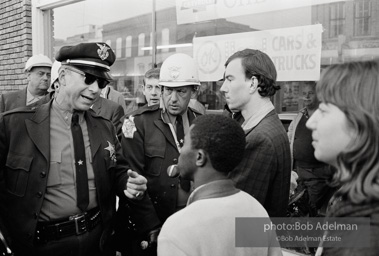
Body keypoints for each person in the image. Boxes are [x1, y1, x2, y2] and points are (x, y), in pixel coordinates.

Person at [0, 42, 147, 256]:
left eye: (101, 81)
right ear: (62, 76)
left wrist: (129, 183)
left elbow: (117, 171)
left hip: (97, 243)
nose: (96, 89)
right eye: (88, 78)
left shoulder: (104, 126)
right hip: (39, 247)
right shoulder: (14, 126)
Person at [157, 114, 282, 256]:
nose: (180, 150)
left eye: (184, 143)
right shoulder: (256, 211)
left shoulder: (177, 229)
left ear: (199, 157)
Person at [116, 53, 202, 256]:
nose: (173, 99)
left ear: (193, 91)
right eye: (168, 91)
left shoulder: (201, 123)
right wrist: (152, 227)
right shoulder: (137, 123)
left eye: (181, 92)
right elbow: (131, 179)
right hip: (151, 226)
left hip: (191, 222)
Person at [306, 60, 379, 256]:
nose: (311, 123)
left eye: (323, 110)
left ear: (360, 123)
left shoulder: (363, 229)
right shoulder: (354, 200)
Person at [221, 49, 291, 217]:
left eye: (229, 79)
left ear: (253, 84)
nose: (223, 88)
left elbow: (237, 212)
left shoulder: (260, 139)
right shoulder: (258, 124)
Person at [288, 81, 334, 217]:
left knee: (310, 211)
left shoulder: (325, 116)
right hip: (298, 173)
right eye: (304, 94)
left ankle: (311, 236)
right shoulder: (299, 116)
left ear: (319, 95)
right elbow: (289, 137)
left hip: (317, 175)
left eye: (310, 93)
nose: (307, 96)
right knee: (298, 209)